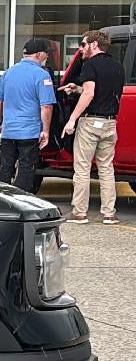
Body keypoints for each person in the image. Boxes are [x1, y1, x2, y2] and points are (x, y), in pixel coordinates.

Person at [61, 29, 126, 224]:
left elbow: (90, 94)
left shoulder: (89, 65)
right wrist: (77, 89)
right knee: (106, 168)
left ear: (94, 45)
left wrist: (72, 119)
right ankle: (109, 213)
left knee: (82, 167)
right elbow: (100, 92)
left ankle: (79, 212)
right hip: (110, 122)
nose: (81, 49)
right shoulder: (117, 67)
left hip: (90, 122)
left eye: (83, 44)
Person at [0, 38, 56, 192]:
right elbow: (46, 106)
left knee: (6, 166)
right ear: (39, 54)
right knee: (26, 168)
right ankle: (21, 201)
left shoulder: (8, 73)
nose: (47, 58)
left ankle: (2, 198)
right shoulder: (42, 76)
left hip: (9, 131)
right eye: (46, 54)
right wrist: (46, 130)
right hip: (29, 132)